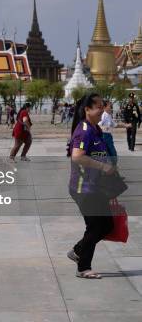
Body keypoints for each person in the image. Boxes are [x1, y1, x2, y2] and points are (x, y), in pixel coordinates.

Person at [67, 93, 114, 279]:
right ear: (87, 109)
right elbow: (77, 156)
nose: (102, 110)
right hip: (83, 188)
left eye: (103, 106)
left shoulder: (96, 129)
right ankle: (83, 266)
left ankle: (78, 251)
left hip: (95, 186)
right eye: (98, 107)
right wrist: (102, 166)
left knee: (106, 225)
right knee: (95, 227)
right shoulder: (84, 130)